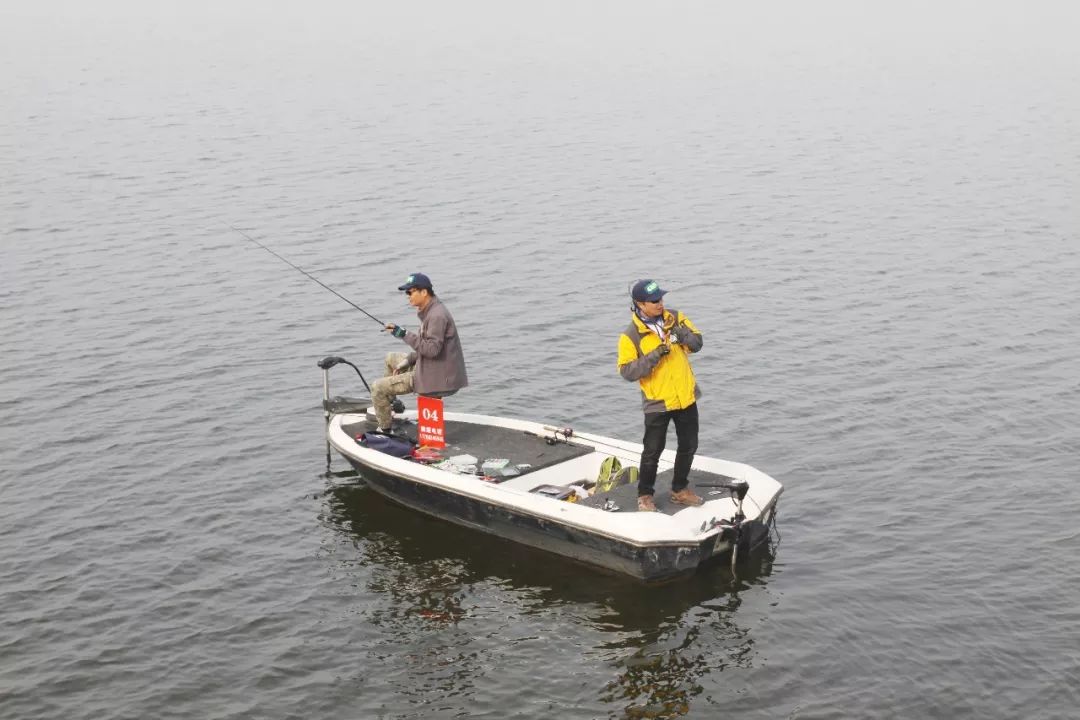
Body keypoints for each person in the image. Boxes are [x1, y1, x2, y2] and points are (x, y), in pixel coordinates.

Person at [617, 279, 705, 512]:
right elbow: (627, 371)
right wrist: (656, 354)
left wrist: (680, 333)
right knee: (652, 451)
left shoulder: (676, 317)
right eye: (654, 301)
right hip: (658, 402)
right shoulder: (630, 336)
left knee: (689, 445)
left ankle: (679, 489)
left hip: (685, 396)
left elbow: (697, 343)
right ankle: (645, 495)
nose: (660, 304)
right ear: (639, 304)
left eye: (661, 298)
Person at [372, 272, 468, 433]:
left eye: (411, 292)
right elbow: (432, 347)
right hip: (434, 366)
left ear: (424, 292)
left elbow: (431, 350)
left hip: (437, 377)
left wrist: (403, 334)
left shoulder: (436, 316)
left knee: (377, 387)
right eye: (406, 293)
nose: (408, 296)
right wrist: (410, 358)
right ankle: (391, 407)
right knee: (391, 358)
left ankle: (385, 429)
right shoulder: (431, 311)